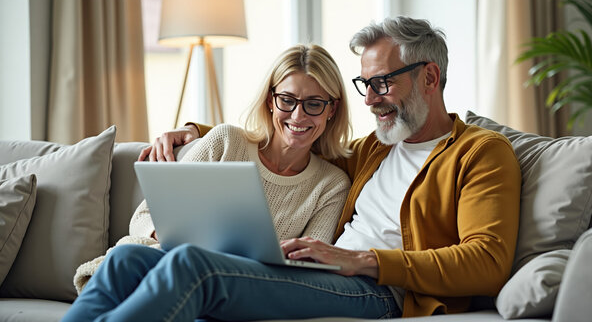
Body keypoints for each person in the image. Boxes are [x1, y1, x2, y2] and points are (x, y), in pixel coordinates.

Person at [62, 17, 521, 321]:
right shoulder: (374, 150)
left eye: (382, 82)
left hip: (378, 292)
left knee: (191, 265)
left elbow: (487, 262)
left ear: (430, 77)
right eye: (365, 84)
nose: (370, 98)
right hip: (319, 274)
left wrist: (363, 261)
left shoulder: (481, 152)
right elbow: (294, 134)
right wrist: (191, 130)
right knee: (126, 258)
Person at [129, 44, 352, 244]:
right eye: (287, 100)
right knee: (123, 257)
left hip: (231, 283)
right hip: (161, 258)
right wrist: (184, 240)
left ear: (331, 109)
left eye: (314, 104)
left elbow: (310, 267)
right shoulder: (226, 142)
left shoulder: (331, 185)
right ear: (270, 100)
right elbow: (143, 217)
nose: (297, 116)